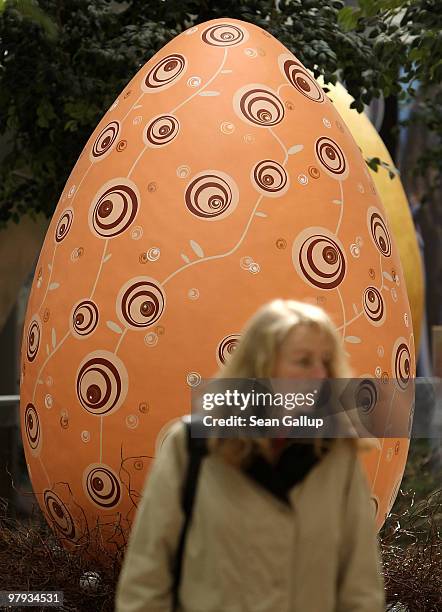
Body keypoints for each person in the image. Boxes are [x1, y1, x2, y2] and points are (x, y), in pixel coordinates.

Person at [115, 299, 385, 612]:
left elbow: (360, 585)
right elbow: (146, 578)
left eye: (325, 361)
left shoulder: (338, 456)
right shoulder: (192, 448)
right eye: (303, 361)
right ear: (260, 367)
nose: (320, 374)